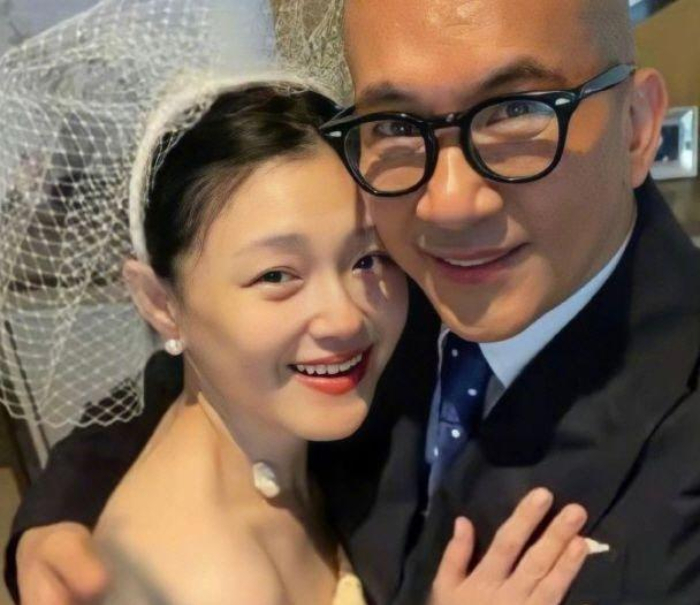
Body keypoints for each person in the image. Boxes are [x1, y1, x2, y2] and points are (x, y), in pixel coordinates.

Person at [7, 0, 700, 603]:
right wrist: (61, 519)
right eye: (396, 122)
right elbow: (189, 375)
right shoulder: (405, 275)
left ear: (638, 126)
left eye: (517, 111)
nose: (449, 204)